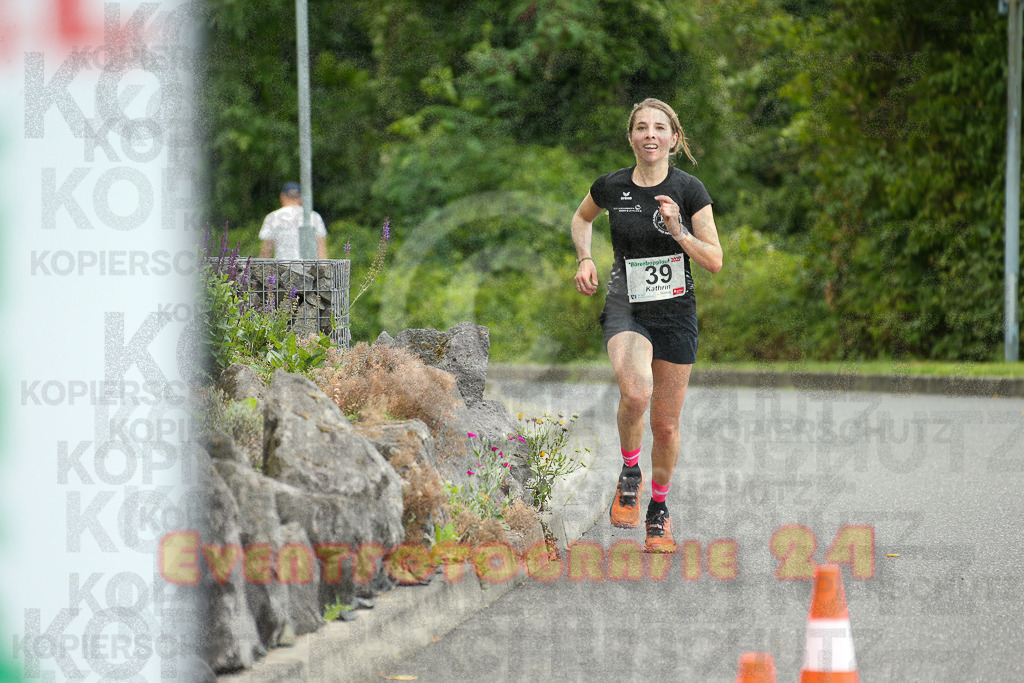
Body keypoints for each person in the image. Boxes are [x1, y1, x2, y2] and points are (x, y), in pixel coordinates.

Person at [571, 98, 723, 553]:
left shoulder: (690, 190)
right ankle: (630, 472)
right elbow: (582, 218)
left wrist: (678, 230)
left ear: (674, 139)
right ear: (631, 137)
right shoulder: (611, 186)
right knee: (636, 393)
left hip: (676, 314)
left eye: (660, 128)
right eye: (642, 127)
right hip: (626, 309)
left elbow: (714, 260)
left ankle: (658, 509)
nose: (650, 135)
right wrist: (584, 257)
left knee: (667, 425)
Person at [259, 182, 328, 259]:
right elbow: (321, 248)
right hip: (308, 268)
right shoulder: (314, 217)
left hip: (283, 267)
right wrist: (323, 268)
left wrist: (262, 269)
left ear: (282, 197)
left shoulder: (273, 217)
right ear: (301, 198)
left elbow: (266, 249)